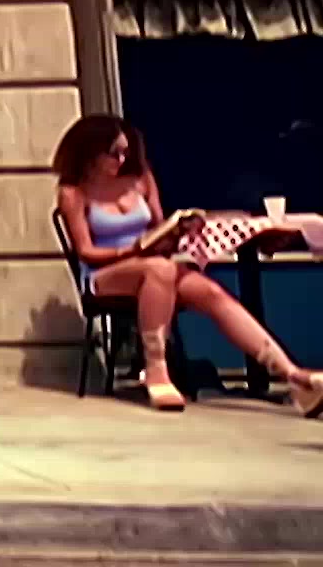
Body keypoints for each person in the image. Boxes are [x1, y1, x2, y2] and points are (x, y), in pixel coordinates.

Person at [54, 114, 323, 417]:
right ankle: (156, 369)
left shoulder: (140, 180)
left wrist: (176, 233)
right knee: (160, 270)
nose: (122, 159)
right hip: (104, 274)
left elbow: (158, 228)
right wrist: (132, 250)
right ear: (90, 153)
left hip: (153, 266)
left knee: (211, 293)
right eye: (114, 153)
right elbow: (86, 251)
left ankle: (292, 375)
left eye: (125, 152)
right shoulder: (74, 192)